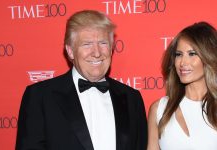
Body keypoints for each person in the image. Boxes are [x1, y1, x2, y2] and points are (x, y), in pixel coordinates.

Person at [16, 10, 147, 150]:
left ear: (111, 48)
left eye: (103, 43)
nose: (97, 53)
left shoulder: (132, 98)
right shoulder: (40, 97)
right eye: (87, 44)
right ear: (70, 51)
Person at [147, 22, 217, 150]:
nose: (182, 62)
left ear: (209, 57)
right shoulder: (159, 109)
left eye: (192, 54)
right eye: (179, 54)